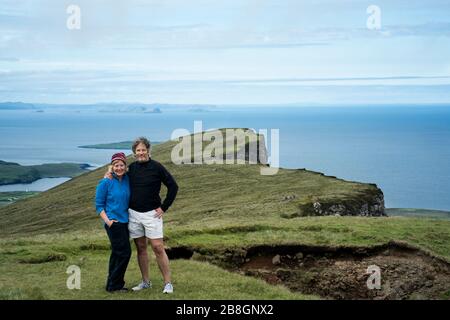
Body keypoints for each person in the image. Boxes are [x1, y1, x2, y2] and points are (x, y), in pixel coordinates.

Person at [106, 137, 178, 294]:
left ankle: (168, 283)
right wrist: (109, 174)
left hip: (152, 214)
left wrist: (164, 207)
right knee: (141, 247)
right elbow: (118, 175)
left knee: (158, 247)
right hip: (134, 214)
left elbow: (173, 186)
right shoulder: (131, 168)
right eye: (138, 150)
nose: (141, 153)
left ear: (148, 150)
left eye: (143, 150)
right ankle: (146, 282)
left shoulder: (157, 167)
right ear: (134, 153)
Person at [95, 152, 131, 292]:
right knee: (124, 253)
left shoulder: (127, 179)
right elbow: (99, 205)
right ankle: (116, 284)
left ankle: (111, 284)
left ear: (125, 166)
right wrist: (108, 222)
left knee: (117, 253)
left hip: (125, 222)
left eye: (121, 165)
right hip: (114, 223)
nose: (119, 168)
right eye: (116, 165)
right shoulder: (105, 182)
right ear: (112, 167)